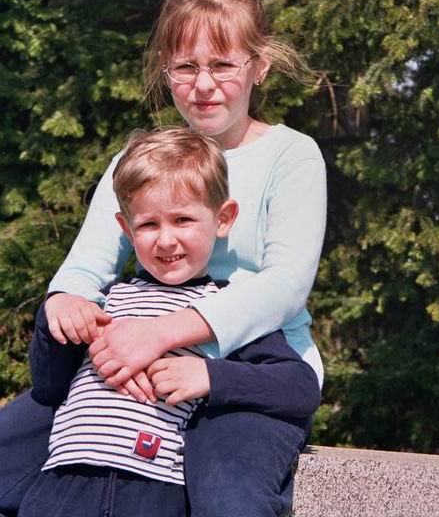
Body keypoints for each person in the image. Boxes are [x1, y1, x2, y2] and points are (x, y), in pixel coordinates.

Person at [0, 0, 327, 517]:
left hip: (247, 371)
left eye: (223, 65)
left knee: (229, 499)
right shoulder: (139, 161)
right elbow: (84, 270)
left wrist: (159, 336)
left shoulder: (290, 155)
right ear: (165, 70)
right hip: (132, 358)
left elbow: (285, 286)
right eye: (186, 67)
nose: (204, 84)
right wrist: (67, 305)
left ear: (260, 66)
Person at [18, 127, 321, 517]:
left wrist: (210, 376)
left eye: (183, 220)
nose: (165, 240)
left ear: (223, 219)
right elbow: (49, 386)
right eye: (148, 225)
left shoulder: (224, 309)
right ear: (126, 229)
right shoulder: (107, 303)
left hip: (152, 493)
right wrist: (55, 317)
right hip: (61, 490)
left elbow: (299, 387)